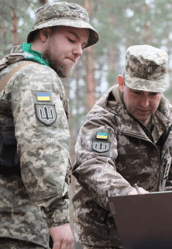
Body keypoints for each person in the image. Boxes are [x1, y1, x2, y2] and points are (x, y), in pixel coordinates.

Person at [0, 2, 99, 249]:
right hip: (19, 226)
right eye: (71, 39)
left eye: (82, 45)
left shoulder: (8, 72)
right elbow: (41, 148)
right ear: (45, 33)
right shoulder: (37, 76)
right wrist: (57, 218)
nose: (79, 52)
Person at [72, 45, 172, 249]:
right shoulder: (102, 120)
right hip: (106, 238)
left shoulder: (171, 121)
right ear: (122, 83)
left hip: (154, 234)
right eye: (137, 93)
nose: (145, 103)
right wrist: (127, 196)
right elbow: (93, 165)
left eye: (153, 94)